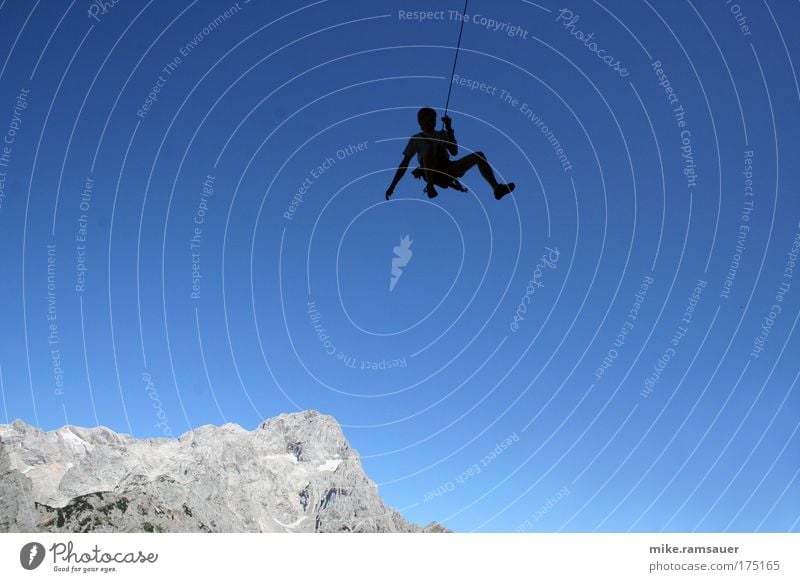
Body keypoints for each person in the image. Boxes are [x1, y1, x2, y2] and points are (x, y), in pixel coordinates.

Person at [385, 107, 515, 201]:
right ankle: (430, 186)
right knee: (430, 148)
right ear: (421, 121)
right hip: (431, 171)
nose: (433, 121)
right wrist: (393, 185)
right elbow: (405, 163)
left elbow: (454, 152)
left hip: (447, 168)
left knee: (479, 156)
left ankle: (496, 188)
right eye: (429, 118)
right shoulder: (416, 139)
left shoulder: (442, 134)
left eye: (434, 118)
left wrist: (449, 130)